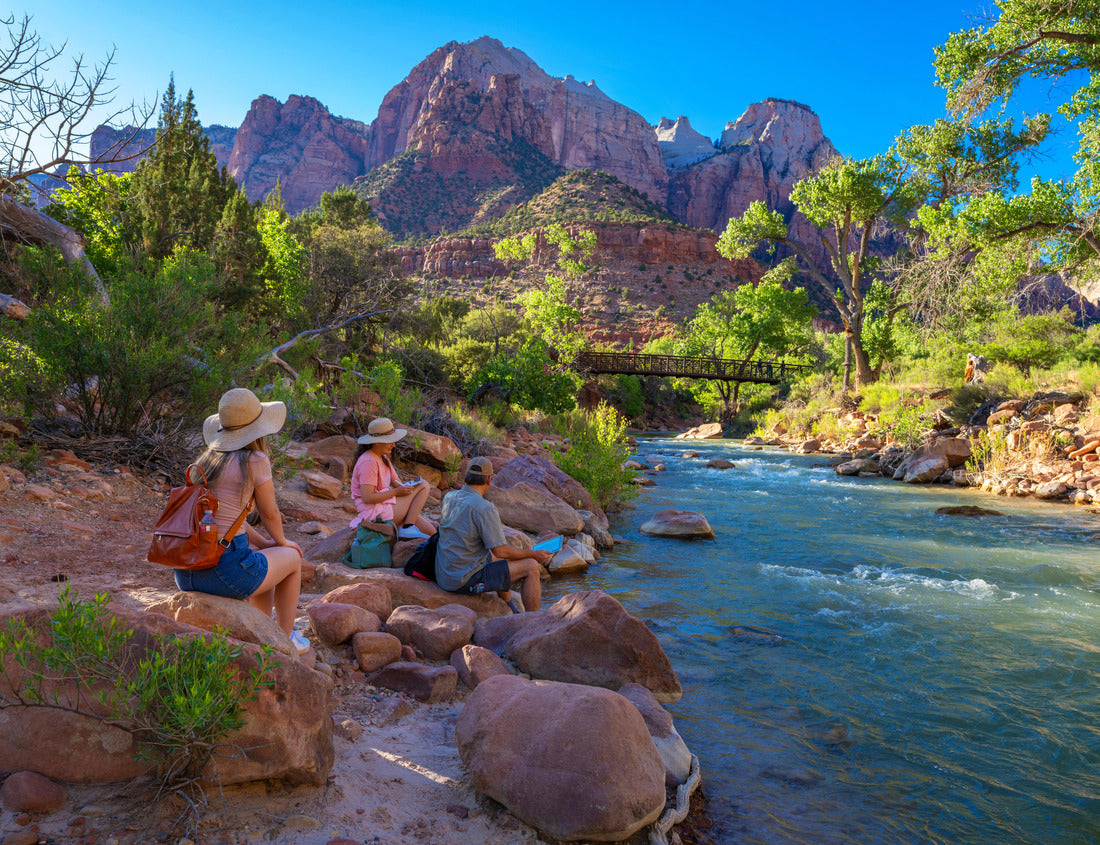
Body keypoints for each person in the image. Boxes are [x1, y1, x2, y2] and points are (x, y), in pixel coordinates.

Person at [175, 388, 309, 652]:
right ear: (258, 429)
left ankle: (263, 631)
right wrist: (282, 542)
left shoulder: (208, 460)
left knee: (261, 557)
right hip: (224, 570)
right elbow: (270, 513)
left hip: (186, 571)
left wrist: (266, 543)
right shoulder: (254, 459)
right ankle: (284, 639)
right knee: (292, 559)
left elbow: (230, 519)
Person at [435, 456, 551, 611]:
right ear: (489, 480)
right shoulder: (484, 507)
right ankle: (533, 622)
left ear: (467, 477)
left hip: (444, 573)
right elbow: (501, 551)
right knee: (530, 567)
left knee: (494, 557)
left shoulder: (449, 497)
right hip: (463, 580)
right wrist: (533, 555)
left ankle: (511, 607)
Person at [350, 417, 436, 541]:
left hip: (386, 505)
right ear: (376, 442)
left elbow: (396, 482)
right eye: (389, 441)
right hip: (375, 512)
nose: (393, 445)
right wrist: (397, 492)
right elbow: (367, 497)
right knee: (424, 485)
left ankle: (408, 526)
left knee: (432, 533)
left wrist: (406, 488)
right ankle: (407, 527)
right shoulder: (369, 460)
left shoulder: (383, 457)